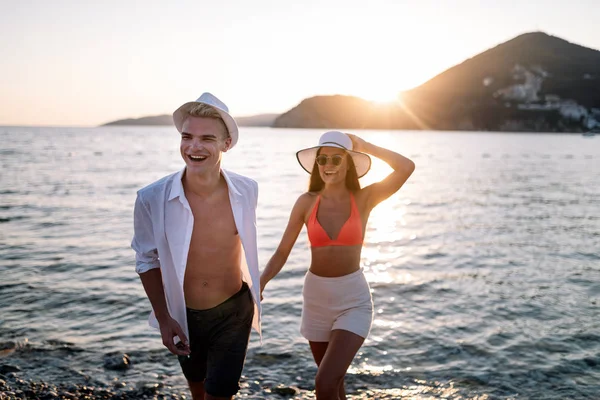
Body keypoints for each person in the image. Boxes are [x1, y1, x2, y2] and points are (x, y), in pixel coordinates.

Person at [260, 131, 415, 399]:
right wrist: (260, 283)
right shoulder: (306, 202)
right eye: (323, 160)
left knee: (324, 382)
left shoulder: (364, 199)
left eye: (336, 159)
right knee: (335, 384)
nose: (328, 165)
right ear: (317, 165)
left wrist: (365, 146)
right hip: (316, 301)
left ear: (348, 163)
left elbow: (406, 167)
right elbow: (282, 252)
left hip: (352, 300)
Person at [131, 93, 261, 400]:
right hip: (183, 314)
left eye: (207, 138)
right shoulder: (151, 198)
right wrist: (164, 318)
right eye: (187, 137)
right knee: (197, 388)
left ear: (226, 144)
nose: (194, 147)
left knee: (220, 393)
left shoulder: (247, 190)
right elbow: (146, 259)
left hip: (234, 310)